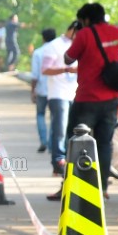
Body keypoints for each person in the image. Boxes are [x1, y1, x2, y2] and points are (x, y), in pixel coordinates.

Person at [50, 3, 118, 200]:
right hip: (111, 98)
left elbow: (68, 58)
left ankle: (71, 186)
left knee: (75, 142)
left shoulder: (84, 35)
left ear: (85, 20)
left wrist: (79, 37)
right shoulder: (117, 33)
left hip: (87, 98)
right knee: (104, 143)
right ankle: (102, 189)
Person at [41, 22, 78, 179]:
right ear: (72, 30)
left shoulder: (78, 45)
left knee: (72, 130)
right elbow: (45, 69)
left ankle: (69, 162)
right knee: (60, 130)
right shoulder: (54, 46)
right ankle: (58, 161)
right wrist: (66, 69)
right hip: (58, 94)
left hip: (75, 93)